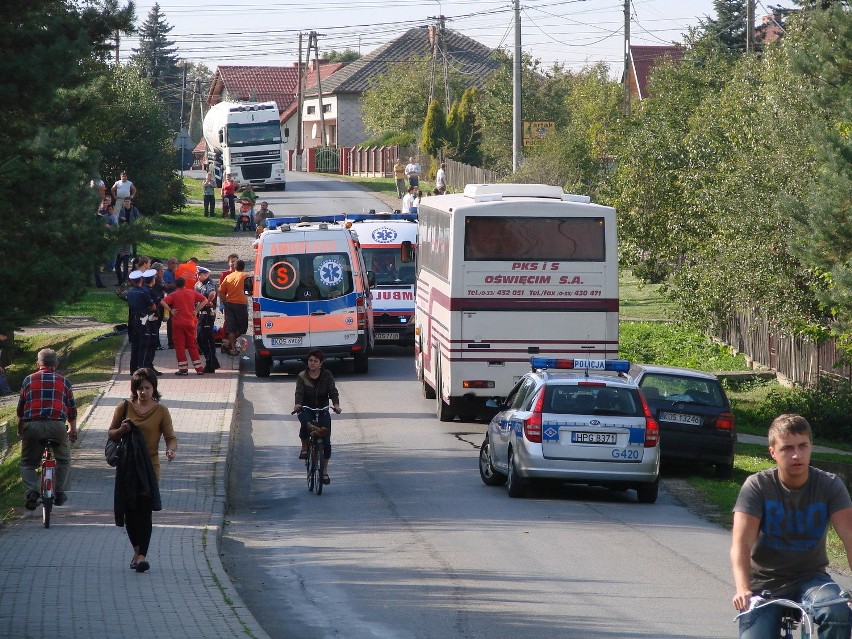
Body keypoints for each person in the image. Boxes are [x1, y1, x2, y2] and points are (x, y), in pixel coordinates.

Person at [731, 413, 852, 639]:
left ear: (811, 447)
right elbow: (741, 544)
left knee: (838, 611)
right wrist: (742, 588)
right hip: (764, 583)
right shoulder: (757, 486)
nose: (797, 455)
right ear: (773, 452)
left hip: (812, 579)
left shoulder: (830, 485)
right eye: (787, 448)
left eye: (803, 446)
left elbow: (850, 538)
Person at [108, 368, 177, 574]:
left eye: (147, 388)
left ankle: (142, 556)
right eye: (139, 388)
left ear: (154, 388)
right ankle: (137, 551)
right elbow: (111, 433)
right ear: (134, 389)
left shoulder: (161, 411)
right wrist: (122, 430)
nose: (143, 392)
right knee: (131, 512)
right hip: (127, 467)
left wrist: (171, 451)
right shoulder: (124, 407)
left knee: (144, 513)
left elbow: (170, 437)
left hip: (150, 467)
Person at [17, 348, 77, 509]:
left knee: (28, 463)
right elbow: (71, 409)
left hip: (33, 425)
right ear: (56, 364)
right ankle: (59, 491)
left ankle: (32, 492)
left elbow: (21, 409)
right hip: (57, 426)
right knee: (63, 460)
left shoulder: (28, 380)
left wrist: (20, 427)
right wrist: (73, 429)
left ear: (38, 364)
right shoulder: (64, 382)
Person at [293, 349, 342, 485]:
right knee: (305, 422)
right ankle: (304, 446)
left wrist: (336, 405)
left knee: (326, 441)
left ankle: (324, 471)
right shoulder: (302, 376)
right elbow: (299, 393)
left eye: (315, 361)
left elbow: (333, 391)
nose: (312, 363)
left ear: (321, 363)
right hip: (306, 408)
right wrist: (297, 405)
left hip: (322, 409)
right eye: (310, 360)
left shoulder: (327, 375)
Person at [160, 277, 207, 375]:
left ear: (176, 285)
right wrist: (196, 310)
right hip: (190, 322)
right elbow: (205, 300)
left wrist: (170, 310)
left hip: (177, 323)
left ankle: (183, 369)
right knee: (192, 345)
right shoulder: (192, 292)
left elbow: (162, 301)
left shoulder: (173, 294)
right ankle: (199, 369)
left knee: (180, 346)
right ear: (184, 284)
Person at [126, 268, 157, 374]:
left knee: (135, 344)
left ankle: (133, 368)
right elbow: (153, 307)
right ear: (141, 280)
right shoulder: (143, 292)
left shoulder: (129, 292)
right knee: (144, 344)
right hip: (143, 319)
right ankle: (142, 367)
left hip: (133, 320)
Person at [219, 260, 249, 356]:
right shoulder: (246, 276)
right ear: (243, 267)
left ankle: (232, 348)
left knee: (231, 328)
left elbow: (220, 291)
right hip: (240, 304)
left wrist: (225, 302)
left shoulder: (228, 277)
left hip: (229, 304)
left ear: (235, 267)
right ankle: (229, 346)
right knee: (243, 327)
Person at [195, 267, 220, 373]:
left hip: (207, 315)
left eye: (200, 274)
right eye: (197, 274)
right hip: (200, 315)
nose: (198, 276)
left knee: (206, 339)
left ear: (206, 274)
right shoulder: (198, 284)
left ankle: (211, 364)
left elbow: (212, 294)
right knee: (200, 339)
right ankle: (212, 361)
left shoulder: (209, 283)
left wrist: (207, 302)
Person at [162, 258, 179, 349]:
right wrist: (177, 285)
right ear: (168, 264)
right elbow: (166, 285)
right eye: (172, 263)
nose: (174, 265)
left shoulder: (178, 272)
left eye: (176, 263)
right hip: (170, 299)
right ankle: (171, 342)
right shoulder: (166, 273)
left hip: (179, 299)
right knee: (170, 321)